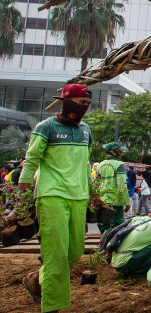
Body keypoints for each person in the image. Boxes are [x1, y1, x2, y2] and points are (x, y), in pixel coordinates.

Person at [18, 83, 96, 312]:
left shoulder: (86, 130)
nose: (84, 108)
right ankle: (52, 306)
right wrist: (21, 197)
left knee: (75, 251)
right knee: (55, 257)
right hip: (51, 195)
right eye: (81, 103)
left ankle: (35, 277)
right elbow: (31, 160)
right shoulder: (46, 127)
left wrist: (93, 193)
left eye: (88, 105)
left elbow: (85, 164)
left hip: (79, 196)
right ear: (67, 101)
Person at [110, 202, 151, 278]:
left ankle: (133, 270)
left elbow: (113, 231)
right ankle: (139, 273)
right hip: (126, 264)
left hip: (116, 261)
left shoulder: (136, 218)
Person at [95, 142, 130, 234]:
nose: (121, 153)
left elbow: (96, 184)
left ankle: (102, 247)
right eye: (119, 151)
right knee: (116, 229)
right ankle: (109, 247)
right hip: (115, 202)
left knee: (104, 227)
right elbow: (122, 184)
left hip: (102, 201)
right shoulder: (120, 165)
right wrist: (126, 202)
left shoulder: (100, 165)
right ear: (115, 152)